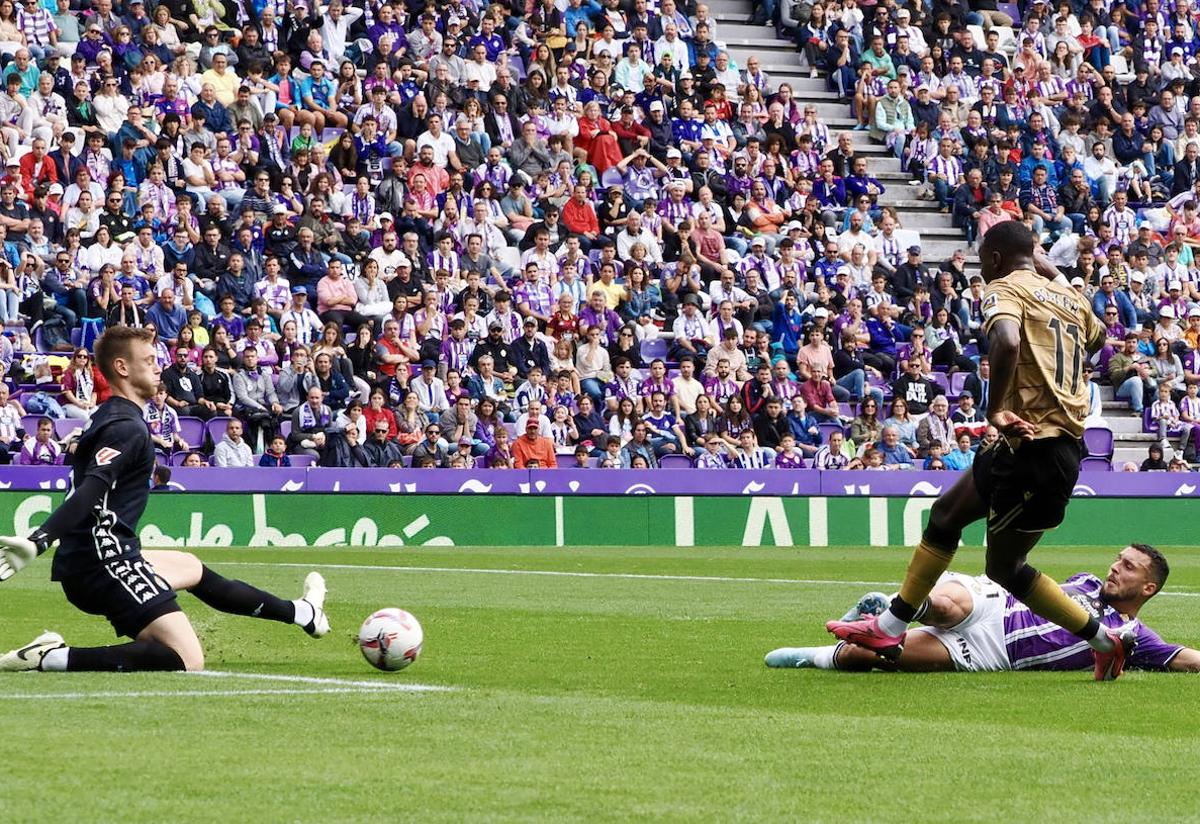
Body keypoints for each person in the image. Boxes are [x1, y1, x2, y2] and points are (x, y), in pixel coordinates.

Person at [826, 222, 1129, 680]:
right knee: (946, 515)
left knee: (1005, 568)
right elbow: (1098, 338)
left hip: (1034, 446)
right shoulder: (1073, 301)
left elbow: (1005, 340)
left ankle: (1105, 642)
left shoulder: (1003, 288)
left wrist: (997, 408)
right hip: (1042, 446)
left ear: (991, 261)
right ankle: (888, 626)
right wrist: (1049, 270)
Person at [0, 327, 329, 674]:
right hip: (102, 563)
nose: (159, 367)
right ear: (122, 368)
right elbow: (92, 488)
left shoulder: (112, 415)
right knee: (187, 659)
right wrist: (39, 540)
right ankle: (52, 656)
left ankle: (301, 613)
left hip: (94, 555)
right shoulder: (126, 426)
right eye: (149, 360)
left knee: (191, 568)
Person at [770, 545, 1200, 674]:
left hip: (995, 653)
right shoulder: (1087, 581)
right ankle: (900, 611)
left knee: (881, 657)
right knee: (949, 606)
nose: (1114, 567)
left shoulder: (1135, 637)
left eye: (1127, 567)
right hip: (995, 604)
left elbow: (1186, 658)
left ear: (1147, 586)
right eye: (1117, 559)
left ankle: (812, 655)